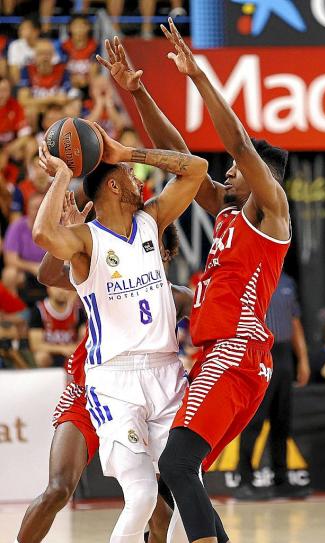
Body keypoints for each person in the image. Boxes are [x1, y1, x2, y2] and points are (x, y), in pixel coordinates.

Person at [32, 120, 207, 542]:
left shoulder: (152, 221)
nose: (138, 180)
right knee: (144, 495)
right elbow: (42, 234)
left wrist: (124, 153)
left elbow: (196, 169)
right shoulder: (86, 241)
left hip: (166, 372)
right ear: (111, 188)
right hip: (115, 380)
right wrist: (62, 176)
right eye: (129, 176)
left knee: (188, 485)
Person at [154, 20, 290, 543]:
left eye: (235, 168)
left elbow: (234, 140)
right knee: (177, 472)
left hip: (235, 351)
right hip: (222, 355)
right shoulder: (229, 215)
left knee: (178, 463)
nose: (226, 171)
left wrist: (198, 76)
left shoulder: (268, 209)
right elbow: (182, 159)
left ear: (260, 176)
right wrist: (139, 90)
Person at [235, 271, 310, 500]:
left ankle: (282, 479)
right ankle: (245, 480)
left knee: (282, 420)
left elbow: (295, 321)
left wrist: (303, 360)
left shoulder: (288, 281)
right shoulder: (250, 279)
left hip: (285, 353)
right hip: (258, 352)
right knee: (254, 420)